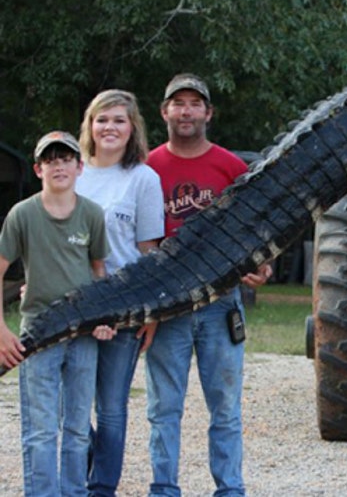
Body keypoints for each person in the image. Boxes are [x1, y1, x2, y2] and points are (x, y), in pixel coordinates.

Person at [145, 73, 272, 496]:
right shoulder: (148, 169)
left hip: (221, 303)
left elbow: (262, 222)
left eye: (194, 103)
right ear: (164, 112)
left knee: (226, 409)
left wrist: (263, 262)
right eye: (177, 103)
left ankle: (230, 489)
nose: (186, 111)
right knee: (164, 408)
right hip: (169, 306)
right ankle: (164, 489)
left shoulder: (231, 167)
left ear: (208, 113)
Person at [0, 130, 115, 495]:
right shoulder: (22, 215)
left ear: (80, 167)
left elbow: (99, 273)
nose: (59, 166)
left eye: (66, 158)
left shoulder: (92, 214)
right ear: (38, 169)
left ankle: (74, 492)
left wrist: (103, 318)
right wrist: (2, 330)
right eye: (50, 160)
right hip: (39, 333)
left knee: (78, 427)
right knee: (40, 428)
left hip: (82, 334)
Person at [76, 89, 165, 496]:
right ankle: (85, 461)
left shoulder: (143, 178)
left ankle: (101, 487)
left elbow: (150, 253)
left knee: (111, 407)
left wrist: (152, 312)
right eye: (102, 119)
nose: (109, 127)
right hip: (72, 304)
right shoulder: (72, 171)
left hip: (123, 307)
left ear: (133, 129)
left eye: (118, 120)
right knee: (68, 402)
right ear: (89, 126)